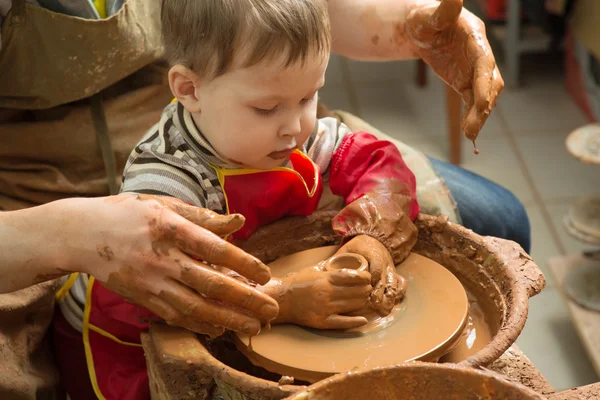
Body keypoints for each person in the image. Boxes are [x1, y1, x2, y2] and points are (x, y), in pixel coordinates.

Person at [0, 0, 527, 398]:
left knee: (500, 216)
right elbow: (170, 289)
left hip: (226, 106)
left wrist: (373, 238)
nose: (298, 126)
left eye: (310, 95)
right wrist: (285, 299)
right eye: (271, 107)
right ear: (187, 90)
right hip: (125, 334)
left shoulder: (280, 126)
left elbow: (371, 160)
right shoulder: (170, 187)